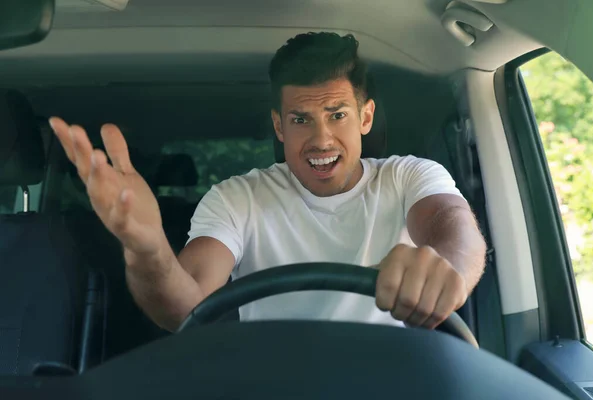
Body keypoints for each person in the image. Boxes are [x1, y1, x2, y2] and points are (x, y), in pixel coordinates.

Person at [49, 32, 486, 333]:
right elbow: (184, 307)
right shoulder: (238, 198)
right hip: (275, 378)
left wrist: (448, 271)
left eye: (337, 114)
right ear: (279, 126)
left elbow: (455, 229)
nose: (321, 139)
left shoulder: (410, 174)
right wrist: (146, 248)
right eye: (300, 119)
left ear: (365, 117)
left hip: (394, 376)